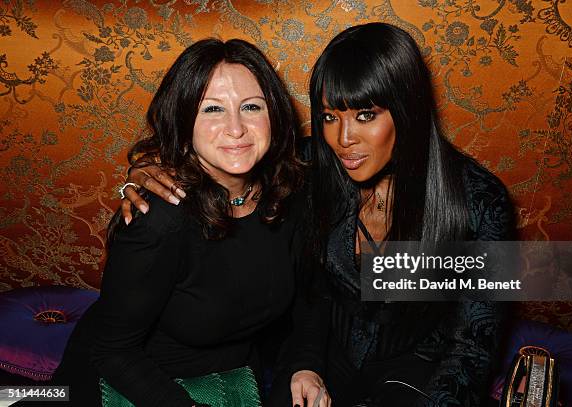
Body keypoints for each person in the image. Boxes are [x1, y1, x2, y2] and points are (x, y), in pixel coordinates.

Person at [123, 23, 514, 406]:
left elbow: (472, 348)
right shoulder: (309, 166)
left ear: (407, 109)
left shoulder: (481, 202)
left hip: (415, 366)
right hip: (319, 355)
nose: (343, 139)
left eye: (366, 115)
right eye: (329, 116)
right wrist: (147, 170)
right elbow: (229, 157)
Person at [51, 38, 305, 406]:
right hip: (128, 383)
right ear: (183, 121)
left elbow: (314, 297)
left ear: (275, 116)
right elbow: (112, 352)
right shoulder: (160, 218)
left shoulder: (291, 192)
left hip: (228, 373)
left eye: (251, 106)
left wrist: (304, 364)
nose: (236, 128)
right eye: (212, 110)